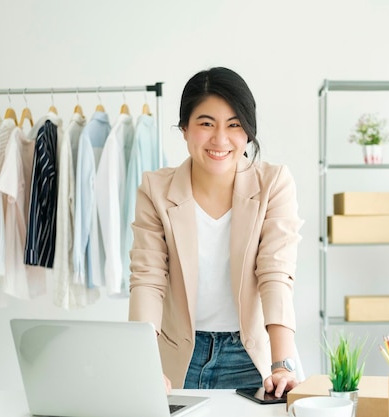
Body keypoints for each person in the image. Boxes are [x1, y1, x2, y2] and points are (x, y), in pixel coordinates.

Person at [128, 67, 304, 398]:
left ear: (248, 132)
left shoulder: (274, 184)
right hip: (178, 356)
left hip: (250, 357)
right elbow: (147, 279)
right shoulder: (155, 189)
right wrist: (143, 362)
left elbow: (275, 274)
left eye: (234, 125)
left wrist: (283, 363)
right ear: (184, 128)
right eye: (206, 123)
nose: (220, 139)